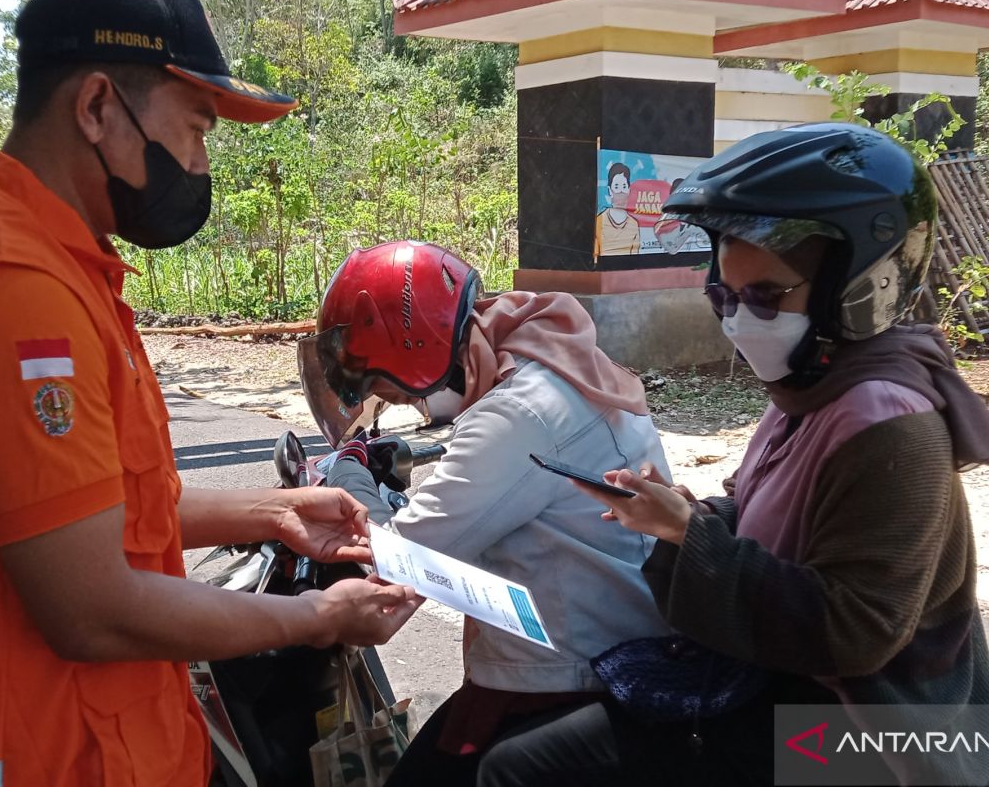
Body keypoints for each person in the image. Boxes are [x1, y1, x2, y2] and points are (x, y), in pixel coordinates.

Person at [0, 0, 421, 784]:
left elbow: (91, 513)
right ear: (98, 106)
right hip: (0, 758)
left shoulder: (63, 273)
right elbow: (93, 608)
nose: (202, 166)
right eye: (196, 129)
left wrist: (275, 511)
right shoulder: (8, 295)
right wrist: (316, 617)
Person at [556, 122, 989, 785]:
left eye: (764, 296)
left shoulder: (888, 422)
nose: (736, 320)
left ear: (857, 289)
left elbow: (854, 630)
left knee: (532, 766)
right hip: (803, 693)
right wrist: (686, 516)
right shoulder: (812, 387)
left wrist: (691, 537)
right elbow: (765, 518)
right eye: (724, 296)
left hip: (876, 737)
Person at [297, 240, 674, 786]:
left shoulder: (518, 414)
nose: (393, 400)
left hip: (577, 671)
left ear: (412, 347)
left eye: (379, 381)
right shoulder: (541, 359)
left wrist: (347, 470)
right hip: (600, 642)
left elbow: (403, 554)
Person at [594, 162, 640, 260]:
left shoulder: (634, 225)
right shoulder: (599, 221)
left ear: (629, 189)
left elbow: (635, 256)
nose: (620, 191)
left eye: (624, 187)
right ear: (610, 190)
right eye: (616, 187)